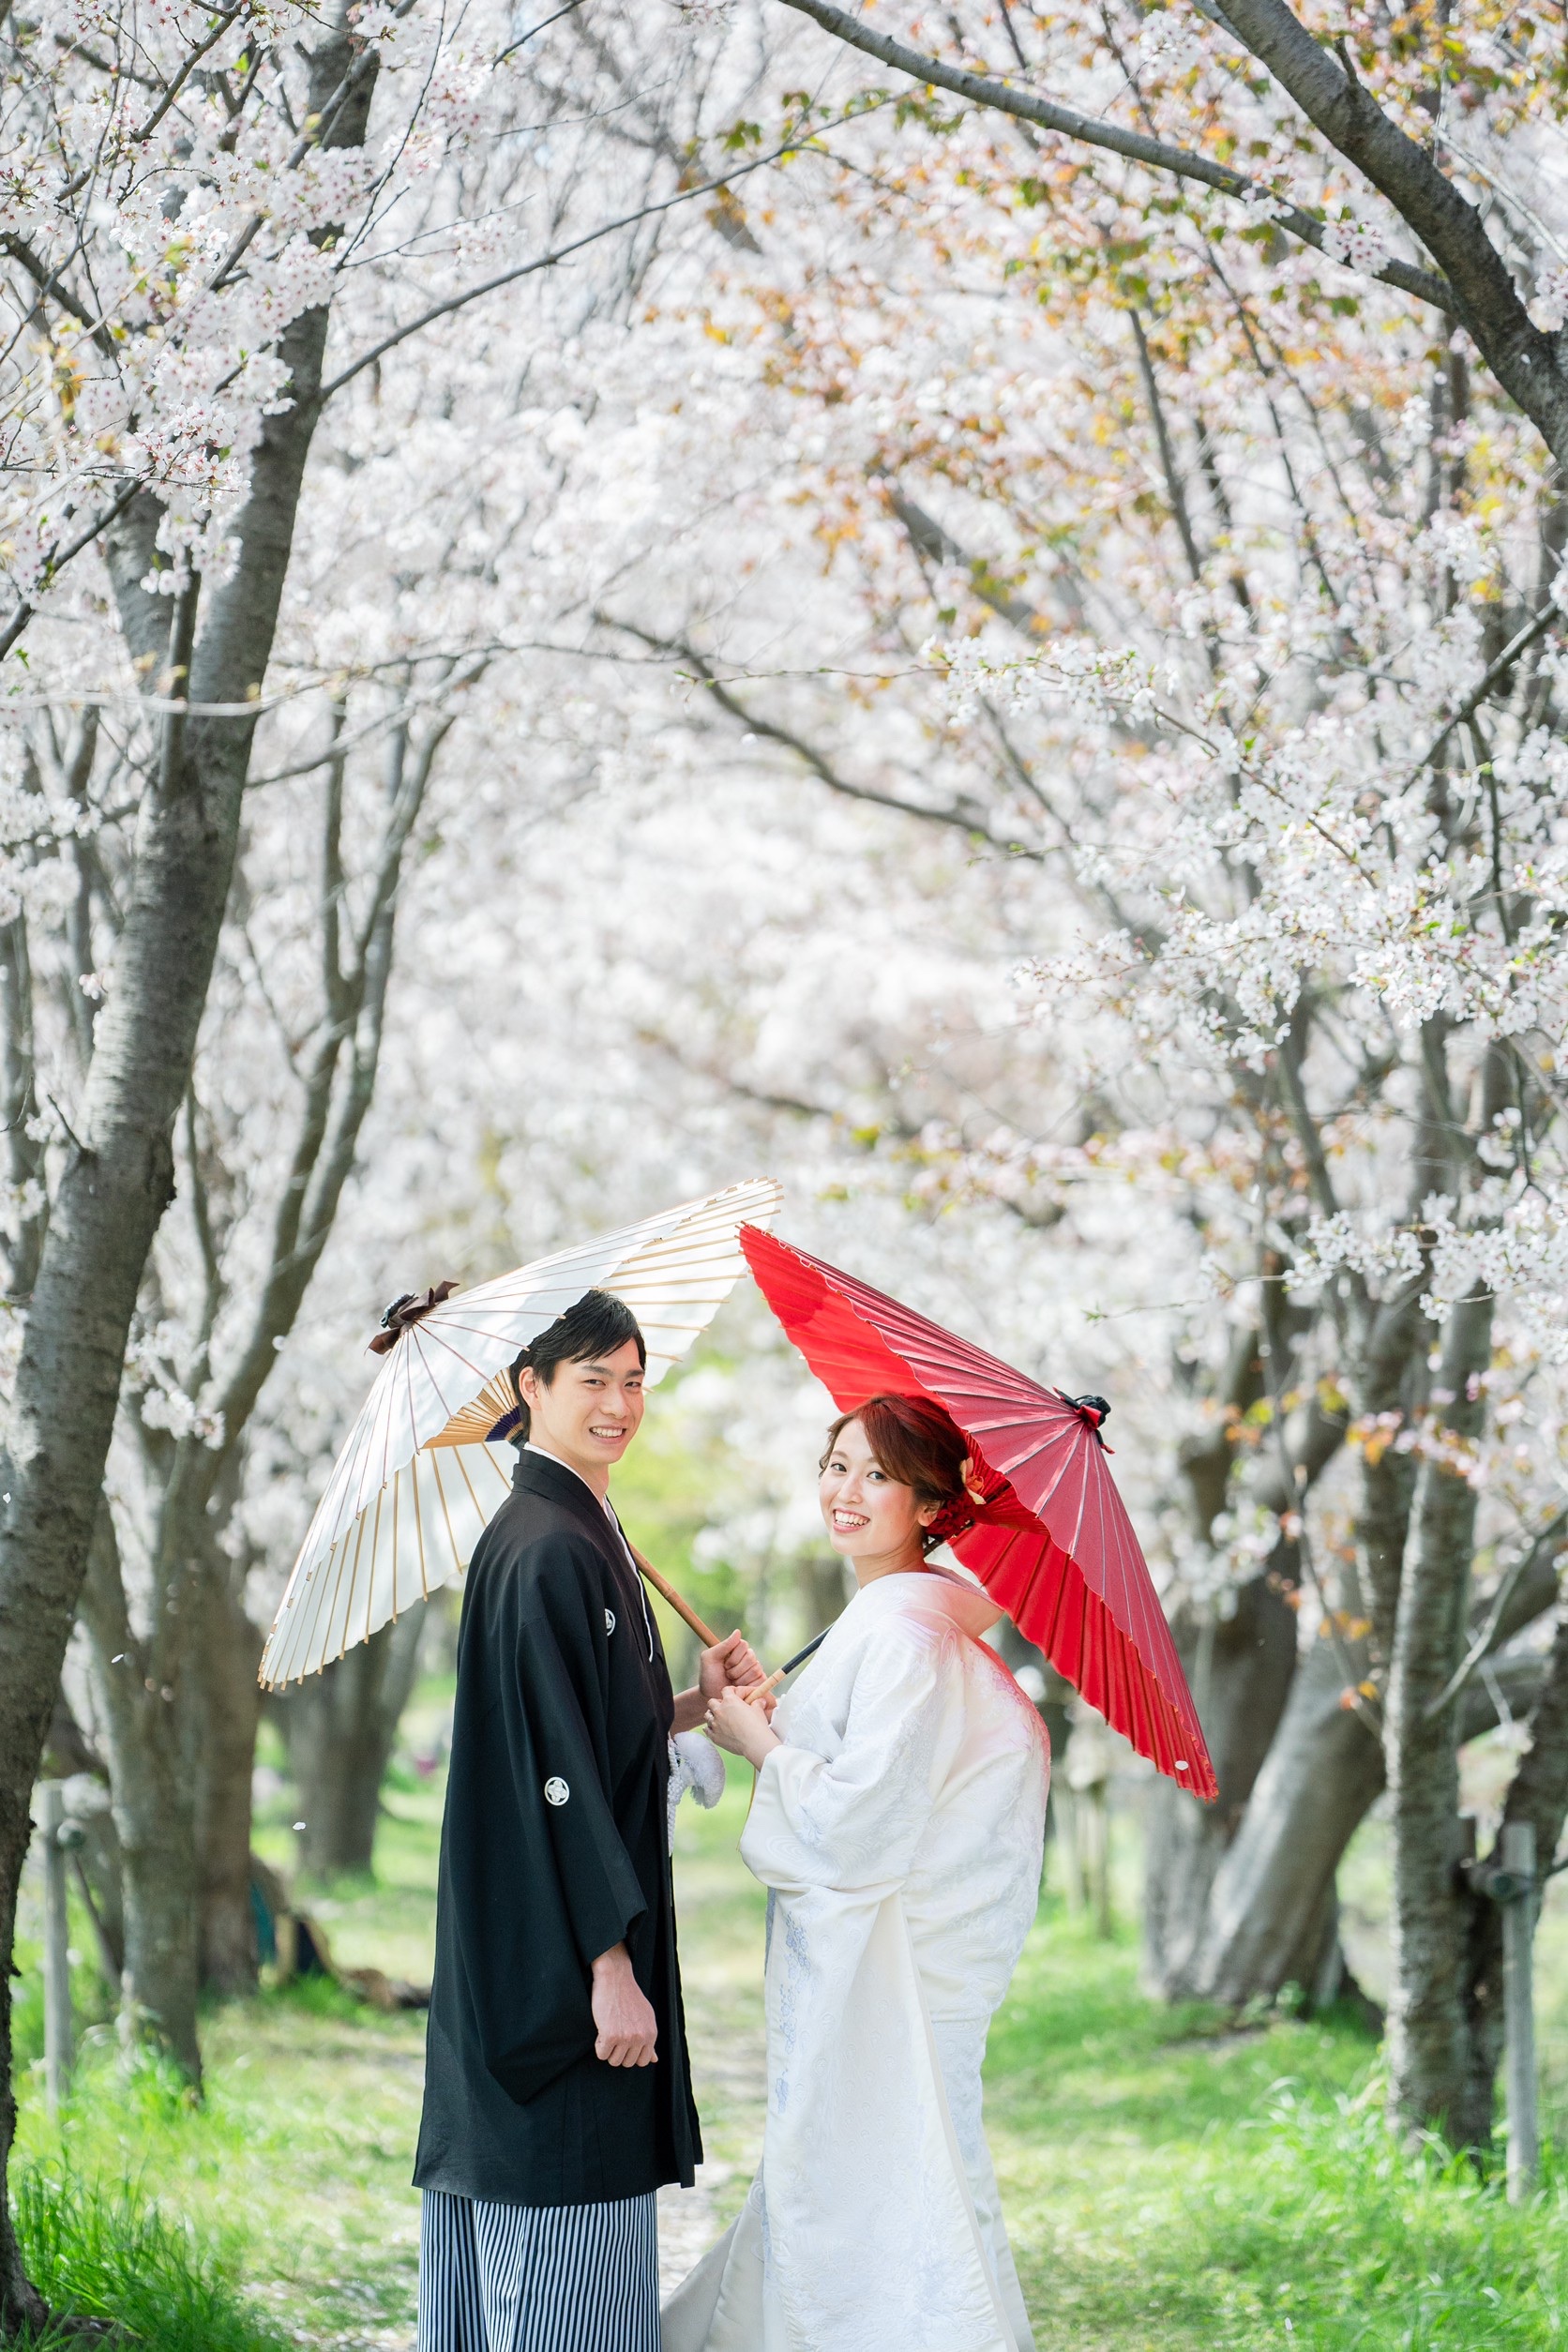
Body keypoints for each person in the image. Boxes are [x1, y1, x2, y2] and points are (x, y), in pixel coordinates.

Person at [413, 1288, 767, 2352]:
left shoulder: (575, 1528)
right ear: (530, 1389)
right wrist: (610, 1965)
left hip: (547, 1935)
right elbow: (551, 1778)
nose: (618, 1404)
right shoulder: (547, 1545)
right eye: (591, 1381)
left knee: (541, 2223)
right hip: (556, 1955)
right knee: (562, 2223)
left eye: (632, 1380)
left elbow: (596, 1729)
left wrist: (697, 1699)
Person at [665, 1393, 1049, 2352]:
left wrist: (763, 1749)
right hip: (871, 1963)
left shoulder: (902, 1635)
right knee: (856, 2170)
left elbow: (861, 1824)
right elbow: (865, 1777)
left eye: (877, 1475)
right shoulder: (889, 1623)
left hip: (888, 1971)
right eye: (836, 1465)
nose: (844, 1491)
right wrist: (756, 1713)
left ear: (930, 1506)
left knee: (861, 2177)